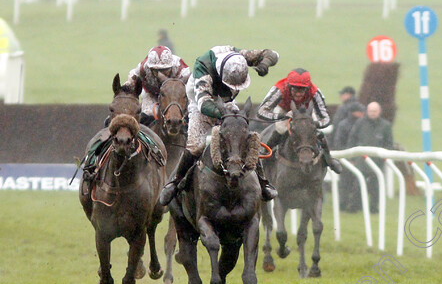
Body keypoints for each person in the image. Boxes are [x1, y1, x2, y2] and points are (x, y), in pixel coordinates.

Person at [158, 45, 279, 206]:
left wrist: (264, 63)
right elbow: (204, 105)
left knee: (243, 136)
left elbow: (272, 54)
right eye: (230, 85)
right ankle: (174, 183)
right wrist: (225, 114)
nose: (232, 89)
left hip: (226, 102)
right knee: (196, 146)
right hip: (200, 101)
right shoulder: (203, 69)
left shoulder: (238, 57)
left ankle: (263, 182)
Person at [257, 68, 342, 173]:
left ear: (307, 88)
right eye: (295, 89)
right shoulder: (279, 89)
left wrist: (314, 124)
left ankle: (329, 159)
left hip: (306, 112)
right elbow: (261, 111)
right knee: (280, 129)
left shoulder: (314, 92)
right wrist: (281, 116)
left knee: (311, 130)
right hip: (284, 109)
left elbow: (326, 118)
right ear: (289, 86)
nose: (298, 94)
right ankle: (265, 155)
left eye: (302, 90)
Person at [123, 45, 190, 126]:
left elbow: (189, 91)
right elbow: (132, 79)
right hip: (151, 94)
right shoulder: (142, 68)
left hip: (175, 97)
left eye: (164, 70)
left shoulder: (182, 71)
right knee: (147, 114)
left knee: (186, 113)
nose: (160, 74)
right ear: (150, 67)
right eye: (155, 70)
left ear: (171, 66)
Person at [347, 102, 394, 211]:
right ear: (367, 111)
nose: (372, 113)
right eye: (370, 111)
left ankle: (374, 208)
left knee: (375, 186)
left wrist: (385, 157)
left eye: (374, 111)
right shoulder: (360, 123)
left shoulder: (385, 126)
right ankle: (355, 206)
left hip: (377, 161)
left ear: (379, 111)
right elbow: (352, 139)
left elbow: (389, 143)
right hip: (361, 160)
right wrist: (351, 158)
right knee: (358, 184)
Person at [333, 101, 366, 211]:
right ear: (354, 112)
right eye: (360, 111)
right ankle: (343, 204)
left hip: (359, 158)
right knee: (345, 184)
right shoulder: (343, 125)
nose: (363, 113)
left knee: (358, 183)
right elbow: (338, 142)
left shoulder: (362, 124)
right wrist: (348, 158)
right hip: (346, 158)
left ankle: (356, 206)